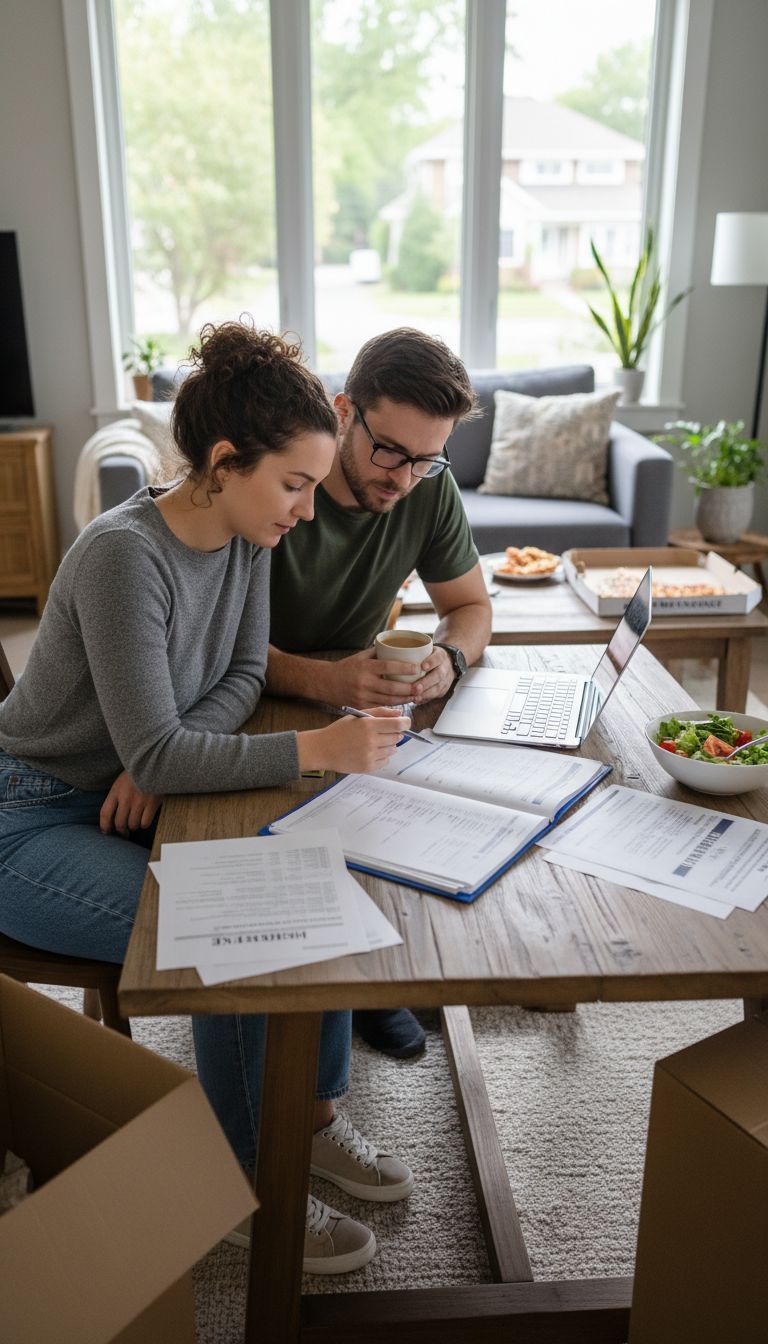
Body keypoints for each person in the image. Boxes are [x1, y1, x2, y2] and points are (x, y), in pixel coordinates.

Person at [0, 321, 415, 1275]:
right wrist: (314, 747)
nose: (308, 511)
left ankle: (304, 1127)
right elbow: (174, 734)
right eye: (296, 484)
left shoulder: (247, 535)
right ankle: (239, 1183)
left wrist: (158, 759)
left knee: (314, 889)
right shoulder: (122, 557)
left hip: (124, 794)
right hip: (27, 820)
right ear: (225, 463)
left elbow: (232, 680)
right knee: (233, 932)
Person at [267, 328, 493, 1059]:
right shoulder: (280, 485)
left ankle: (371, 975)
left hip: (354, 701)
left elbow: (472, 607)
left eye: (427, 459)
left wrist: (450, 662)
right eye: (390, 450)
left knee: (438, 808)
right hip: (246, 698)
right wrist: (324, 678)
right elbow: (213, 648)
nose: (402, 477)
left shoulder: (427, 488)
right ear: (343, 412)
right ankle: (353, 984)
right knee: (287, 854)